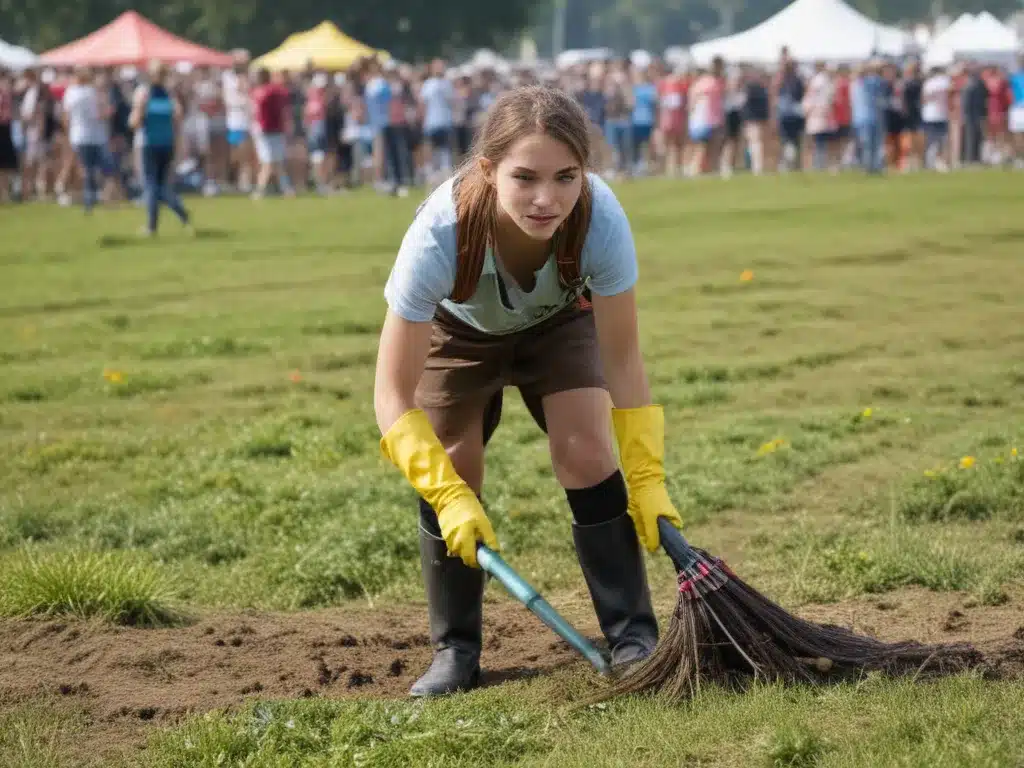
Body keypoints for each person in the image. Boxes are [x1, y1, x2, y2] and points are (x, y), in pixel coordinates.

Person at [373, 84, 684, 698]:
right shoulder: (441, 232)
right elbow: (390, 393)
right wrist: (447, 495)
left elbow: (622, 360)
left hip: (558, 324)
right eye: (525, 177)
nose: (548, 199)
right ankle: (455, 651)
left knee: (587, 452)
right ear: (488, 171)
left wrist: (645, 479)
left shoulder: (601, 220)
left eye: (567, 177)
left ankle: (630, 637)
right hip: (458, 333)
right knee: (456, 462)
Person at [129, 60, 192, 236]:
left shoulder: (144, 93)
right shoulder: (169, 95)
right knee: (160, 185)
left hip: (148, 143)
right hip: (167, 143)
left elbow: (135, 121)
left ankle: (154, 225)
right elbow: (178, 118)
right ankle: (177, 212)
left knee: (150, 185)